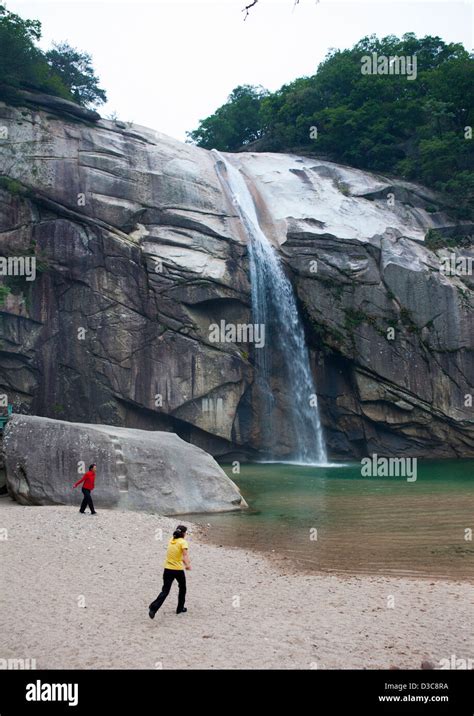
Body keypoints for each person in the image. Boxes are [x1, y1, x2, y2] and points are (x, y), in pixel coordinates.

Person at [148, 525, 191, 618]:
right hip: (178, 570)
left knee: (165, 591)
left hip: (167, 569)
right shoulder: (183, 542)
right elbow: (184, 556)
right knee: (182, 588)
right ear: (183, 533)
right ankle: (180, 608)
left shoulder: (171, 540)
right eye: (186, 533)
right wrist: (187, 565)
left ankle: (153, 608)